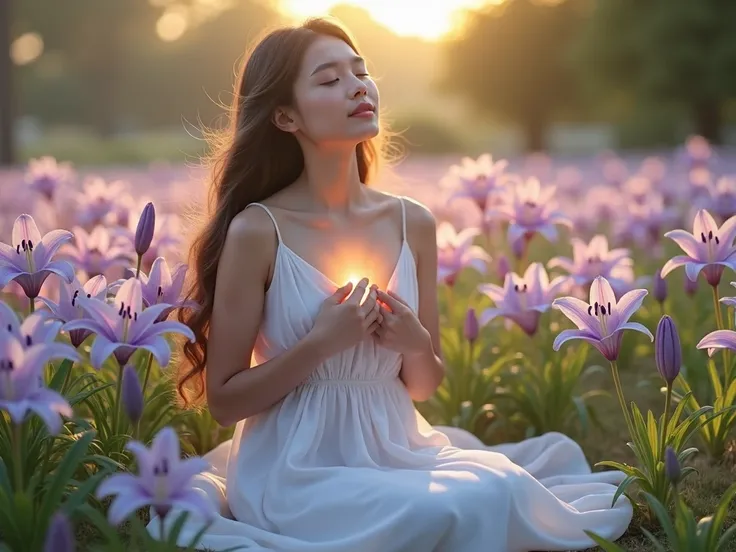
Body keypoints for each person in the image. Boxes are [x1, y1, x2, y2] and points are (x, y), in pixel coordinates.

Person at [153, 16, 633, 552]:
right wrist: (321, 344)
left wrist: (415, 344)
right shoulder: (257, 230)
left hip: (398, 443)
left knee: (498, 487)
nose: (358, 86)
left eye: (361, 71)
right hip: (296, 468)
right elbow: (224, 401)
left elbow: (423, 386)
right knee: (456, 505)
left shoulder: (413, 222)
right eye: (329, 79)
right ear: (285, 116)